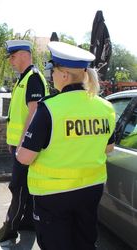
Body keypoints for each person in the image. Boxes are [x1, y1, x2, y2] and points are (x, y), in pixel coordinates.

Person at [16, 41, 116, 250]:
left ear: (64, 75)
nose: (50, 75)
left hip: (53, 196)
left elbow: (25, 158)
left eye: (52, 70)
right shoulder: (105, 107)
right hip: (91, 190)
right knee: (85, 243)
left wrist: (19, 146)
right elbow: (108, 148)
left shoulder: (49, 108)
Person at [0, 39, 49, 245]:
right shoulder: (23, 78)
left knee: (18, 188)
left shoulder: (33, 78)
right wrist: (12, 141)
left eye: (13, 56)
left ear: (24, 54)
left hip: (26, 146)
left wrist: (22, 143)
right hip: (20, 144)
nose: (11, 61)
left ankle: (9, 229)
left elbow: (33, 115)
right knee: (26, 187)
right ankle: (28, 222)